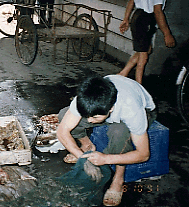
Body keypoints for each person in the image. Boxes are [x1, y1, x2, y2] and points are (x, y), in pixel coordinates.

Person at [57, 74, 156, 206]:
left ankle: (118, 179)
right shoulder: (84, 98)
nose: (90, 121)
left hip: (145, 110)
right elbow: (62, 131)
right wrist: (83, 158)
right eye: (88, 116)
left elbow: (143, 154)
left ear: (111, 109)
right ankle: (87, 146)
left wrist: (105, 159)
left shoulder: (131, 110)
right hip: (107, 112)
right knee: (64, 115)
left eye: (95, 118)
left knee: (118, 132)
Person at [119, 0, 176, 84]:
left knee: (145, 50)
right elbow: (157, 10)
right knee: (143, 56)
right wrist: (167, 34)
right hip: (145, 19)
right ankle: (139, 85)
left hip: (138, 16)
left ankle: (123, 73)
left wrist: (126, 18)